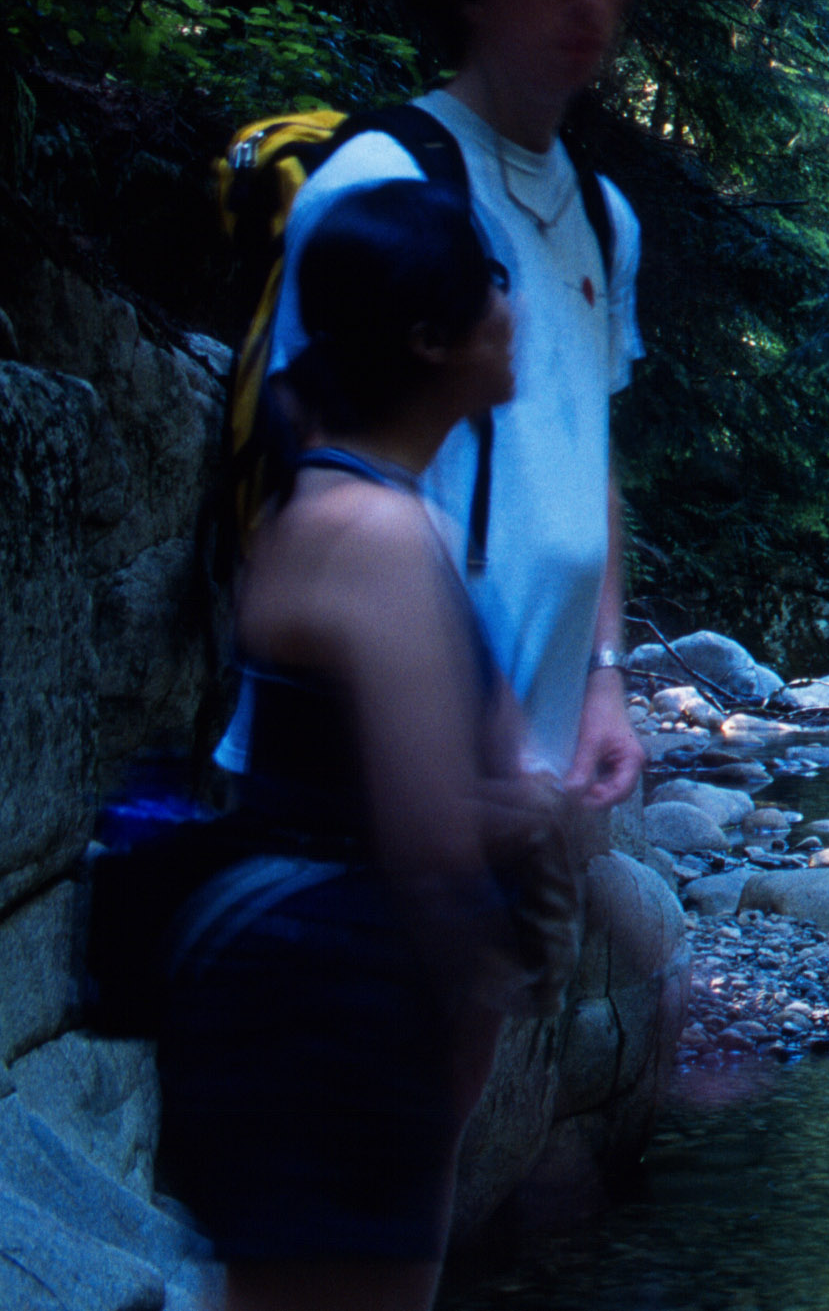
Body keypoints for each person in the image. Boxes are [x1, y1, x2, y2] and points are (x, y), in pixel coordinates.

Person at [162, 177, 566, 1306]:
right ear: (431, 336)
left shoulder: (340, 504)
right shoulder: (378, 532)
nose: (514, 308)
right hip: (330, 1007)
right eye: (493, 282)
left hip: (287, 985)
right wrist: (536, 816)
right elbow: (430, 837)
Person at [266, 0, 689, 807]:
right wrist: (466, 736)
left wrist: (604, 680)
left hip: (527, 765)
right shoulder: (382, 184)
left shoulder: (604, 217)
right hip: (366, 771)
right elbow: (313, 465)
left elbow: (588, 459)